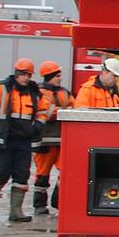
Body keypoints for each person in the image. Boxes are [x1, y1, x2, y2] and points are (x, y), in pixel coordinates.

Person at [0, 58, 53, 223]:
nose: (25, 78)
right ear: (16, 73)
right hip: (4, 139)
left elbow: (44, 109)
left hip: (24, 140)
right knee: (1, 172)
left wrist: (38, 126)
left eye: (28, 74)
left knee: (22, 175)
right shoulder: (2, 89)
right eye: (22, 74)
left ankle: (16, 212)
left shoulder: (34, 92)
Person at [31, 60, 74, 215]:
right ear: (49, 76)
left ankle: (58, 201)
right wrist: (64, 111)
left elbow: (74, 109)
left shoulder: (64, 92)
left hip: (62, 139)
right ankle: (39, 205)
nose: (60, 78)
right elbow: (46, 112)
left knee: (65, 171)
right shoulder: (39, 93)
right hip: (44, 140)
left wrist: (61, 110)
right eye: (57, 75)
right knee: (42, 174)